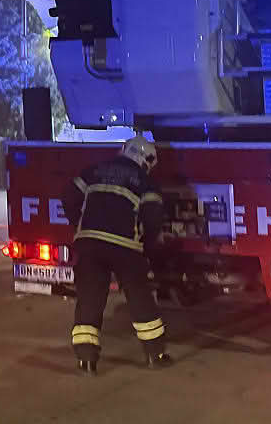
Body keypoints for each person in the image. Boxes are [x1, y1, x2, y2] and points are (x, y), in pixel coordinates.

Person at [63, 134, 170, 375]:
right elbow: (153, 217)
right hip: (125, 247)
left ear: (124, 150)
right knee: (140, 298)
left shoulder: (95, 170)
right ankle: (155, 355)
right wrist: (148, 246)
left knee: (89, 299)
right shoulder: (145, 181)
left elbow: (69, 195)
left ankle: (86, 360)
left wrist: (79, 223)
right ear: (147, 161)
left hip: (89, 243)